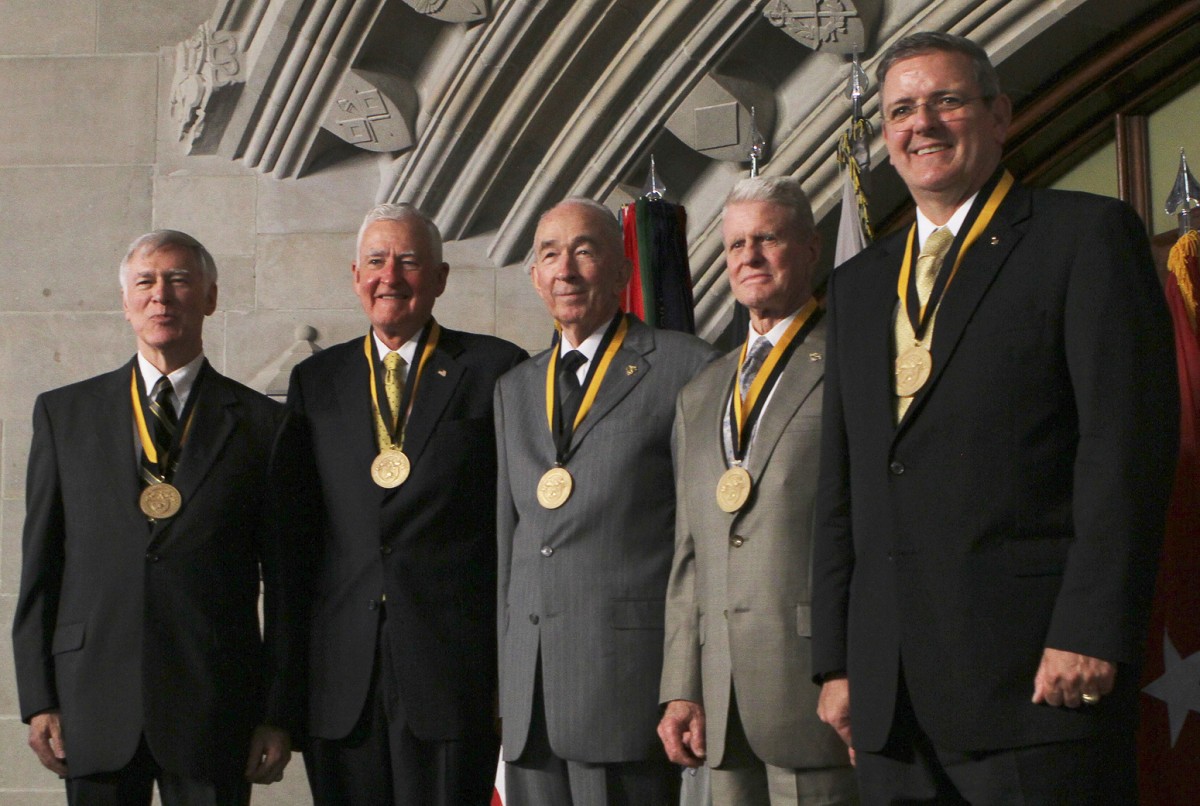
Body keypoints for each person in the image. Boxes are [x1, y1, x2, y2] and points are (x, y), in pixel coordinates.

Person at [812, 31, 1179, 803]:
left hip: (1036, 680)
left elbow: (1124, 451)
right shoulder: (856, 285)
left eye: (947, 100)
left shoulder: (1084, 237)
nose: (923, 125)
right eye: (901, 110)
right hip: (891, 699)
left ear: (1000, 114)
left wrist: (1089, 629)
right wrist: (839, 660)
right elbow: (842, 483)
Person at [13, 230, 305, 805]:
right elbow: (41, 567)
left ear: (210, 298)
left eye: (179, 280)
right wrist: (39, 696)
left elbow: (289, 585)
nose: (161, 297)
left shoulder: (262, 424)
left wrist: (277, 712)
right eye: (145, 282)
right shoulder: (64, 415)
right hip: (90, 697)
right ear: (125, 302)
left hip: (215, 699)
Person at [285, 203, 526, 806]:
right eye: (375, 260)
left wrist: (510, 679)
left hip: (454, 674)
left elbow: (516, 532)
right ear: (355, 275)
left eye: (409, 261)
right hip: (342, 681)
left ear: (441, 278)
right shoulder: (316, 380)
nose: (389, 275)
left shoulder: (497, 370)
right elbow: (294, 542)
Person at [495, 197, 718, 805]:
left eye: (584, 251)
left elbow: (701, 542)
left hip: (628, 686)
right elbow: (508, 548)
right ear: (536, 276)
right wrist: (507, 683)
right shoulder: (514, 390)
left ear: (622, 274)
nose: (565, 269)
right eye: (549, 255)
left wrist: (686, 681)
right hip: (531, 703)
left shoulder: (687, 366)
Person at [658, 176, 857, 805]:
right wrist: (681, 684)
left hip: (816, 685)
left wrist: (852, 665)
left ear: (810, 249)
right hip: (718, 697)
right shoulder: (700, 393)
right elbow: (689, 557)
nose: (749, 256)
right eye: (737, 244)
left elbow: (872, 527)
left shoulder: (854, 359)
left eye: (768, 238)